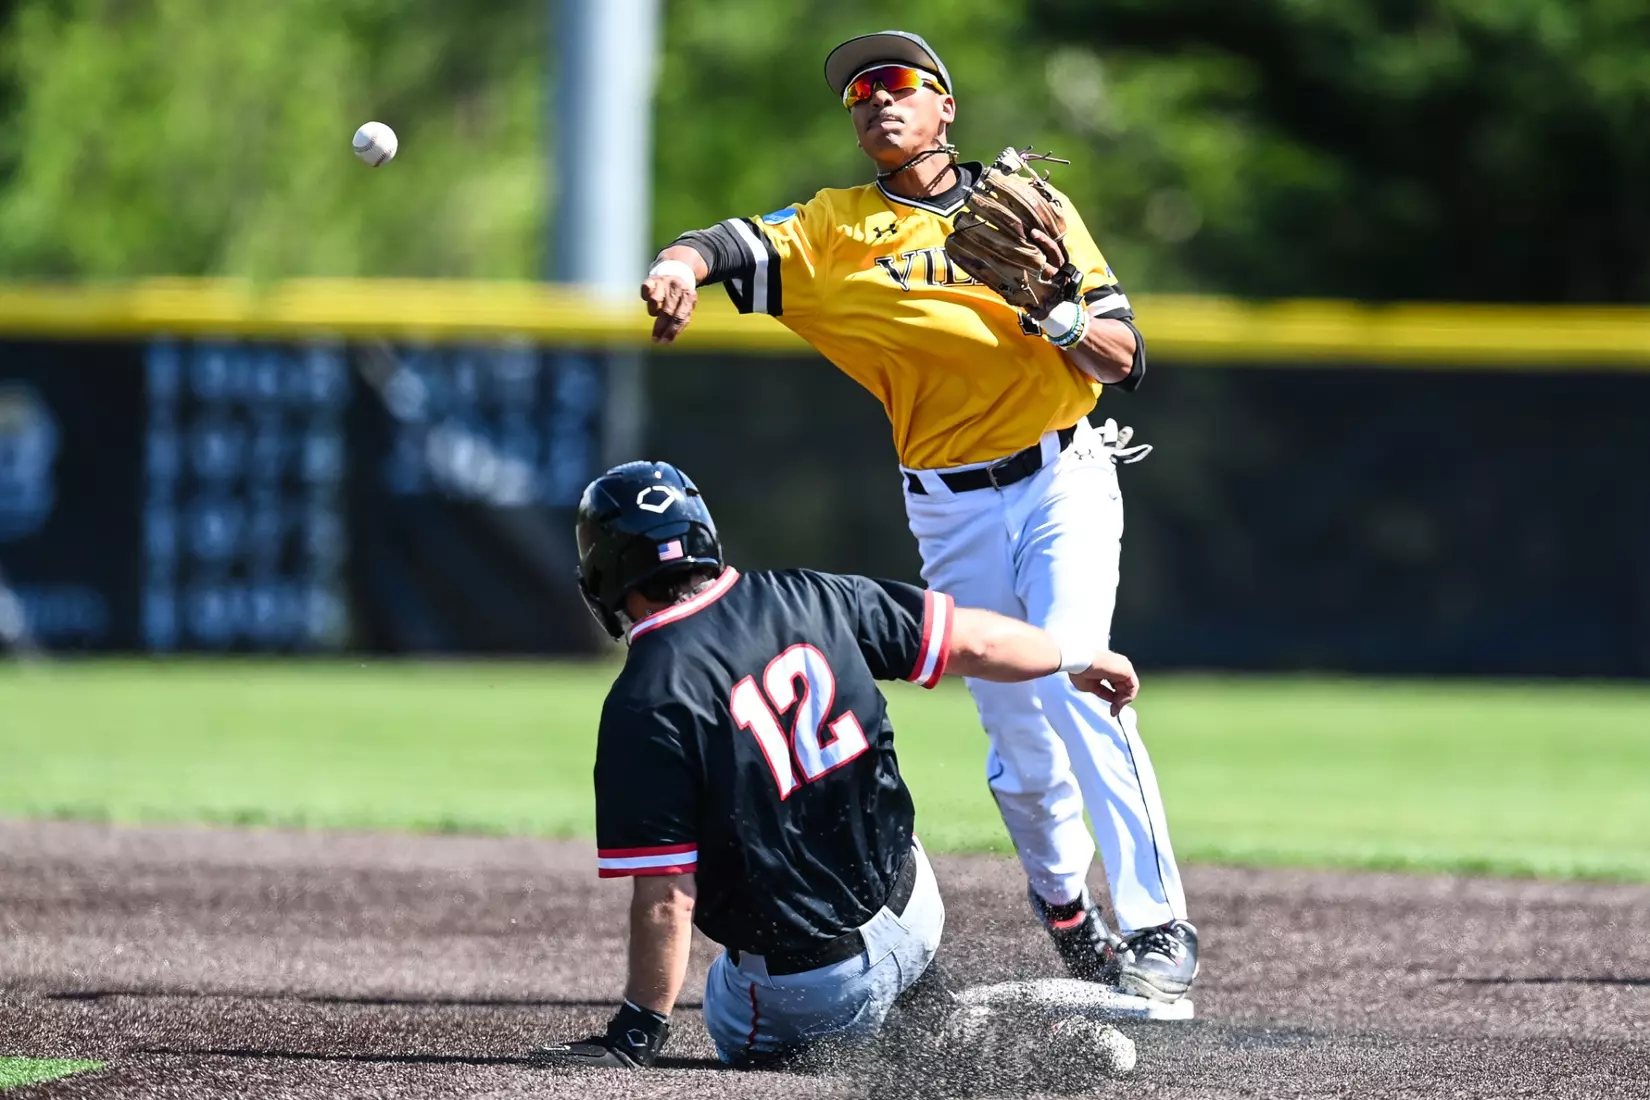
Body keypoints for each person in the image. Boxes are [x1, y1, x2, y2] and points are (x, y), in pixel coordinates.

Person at [637, 30, 1196, 1002]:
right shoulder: (833, 231)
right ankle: (1069, 910)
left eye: (898, 84)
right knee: (1018, 743)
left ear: (944, 107)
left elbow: (1123, 357)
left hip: (1065, 476)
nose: (876, 101)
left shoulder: (1032, 210)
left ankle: (1156, 923)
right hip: (950, 508)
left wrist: (1052, 311)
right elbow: (728, 242)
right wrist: (680, 262)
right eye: (858, 96)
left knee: (1079, 675)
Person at [529, 461, 1141, 1069]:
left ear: (607, 575)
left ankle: (930, 1056)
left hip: (816, 986)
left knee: (727, 1001)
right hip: (916, 908)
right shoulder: (809, 593)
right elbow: (972, 643)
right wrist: (1076, 654)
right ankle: (946, 1020)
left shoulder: (646, 696)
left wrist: (636, 1032)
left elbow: (666, 898)